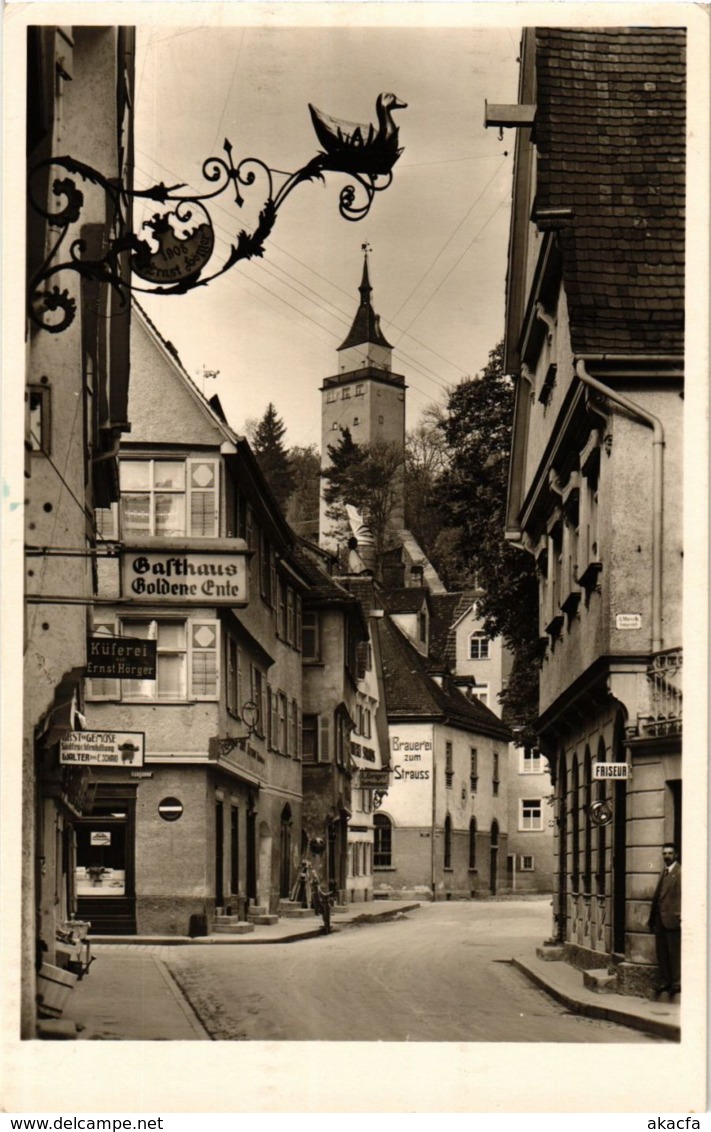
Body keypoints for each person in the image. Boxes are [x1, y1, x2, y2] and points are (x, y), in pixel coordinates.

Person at [648, 843, 681, 997]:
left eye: (669, 853)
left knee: (673, 952)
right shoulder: (664, 871)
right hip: (660, 919)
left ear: (676, 855)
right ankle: (665, 981)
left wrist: (680, 914)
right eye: (664, 853)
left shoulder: (680, 873)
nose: (666, 856)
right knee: (662, 952)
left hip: (672, 918)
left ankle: (676, 983)